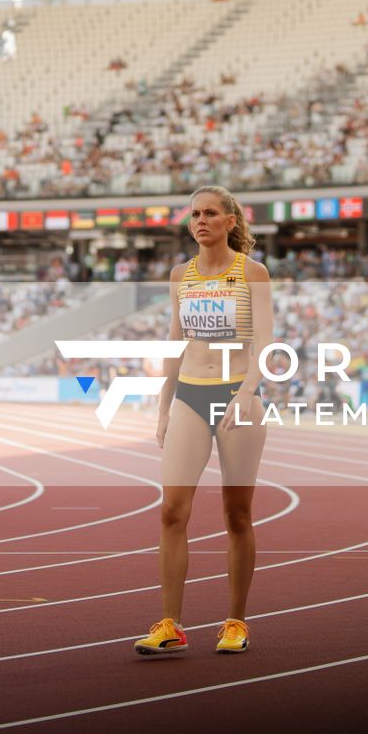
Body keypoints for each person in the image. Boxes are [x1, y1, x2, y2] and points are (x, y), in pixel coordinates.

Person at [135, 185, 272, 659]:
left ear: (230, 221)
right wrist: (163, 405)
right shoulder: (180, 276)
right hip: (191, 396)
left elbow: (265, 346)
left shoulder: (252, 273)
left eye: (211, 213)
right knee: (172, 512)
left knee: (237, 516)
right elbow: (176, 341)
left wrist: (248, 394)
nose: (201, 221)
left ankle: (235, 621)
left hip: (238, 397)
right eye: (194, 214)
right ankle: (169, 623)